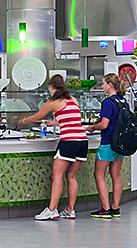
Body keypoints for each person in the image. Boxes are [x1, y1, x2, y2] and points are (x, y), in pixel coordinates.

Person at [17, 74, 88, 220]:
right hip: (82, 141)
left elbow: (35, 118)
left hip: (69, 141)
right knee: (72, 176)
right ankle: (70, 210)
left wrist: (21, 121)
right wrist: (54, 123)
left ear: (51, 87)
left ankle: (52, 209)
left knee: (57, 176)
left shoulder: (52, 102)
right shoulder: (73, 100)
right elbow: (73, 119)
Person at [86, 74, 127, 219]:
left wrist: (92, 127)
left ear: (110, 85)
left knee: (99, 174)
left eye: (103, 84)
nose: (102, 86)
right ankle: (115, 208)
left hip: (108, 142)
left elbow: (104, 124)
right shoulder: (123, 101)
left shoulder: (108, 102)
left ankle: (105, 208)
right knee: (116, 175)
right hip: (120, 144)